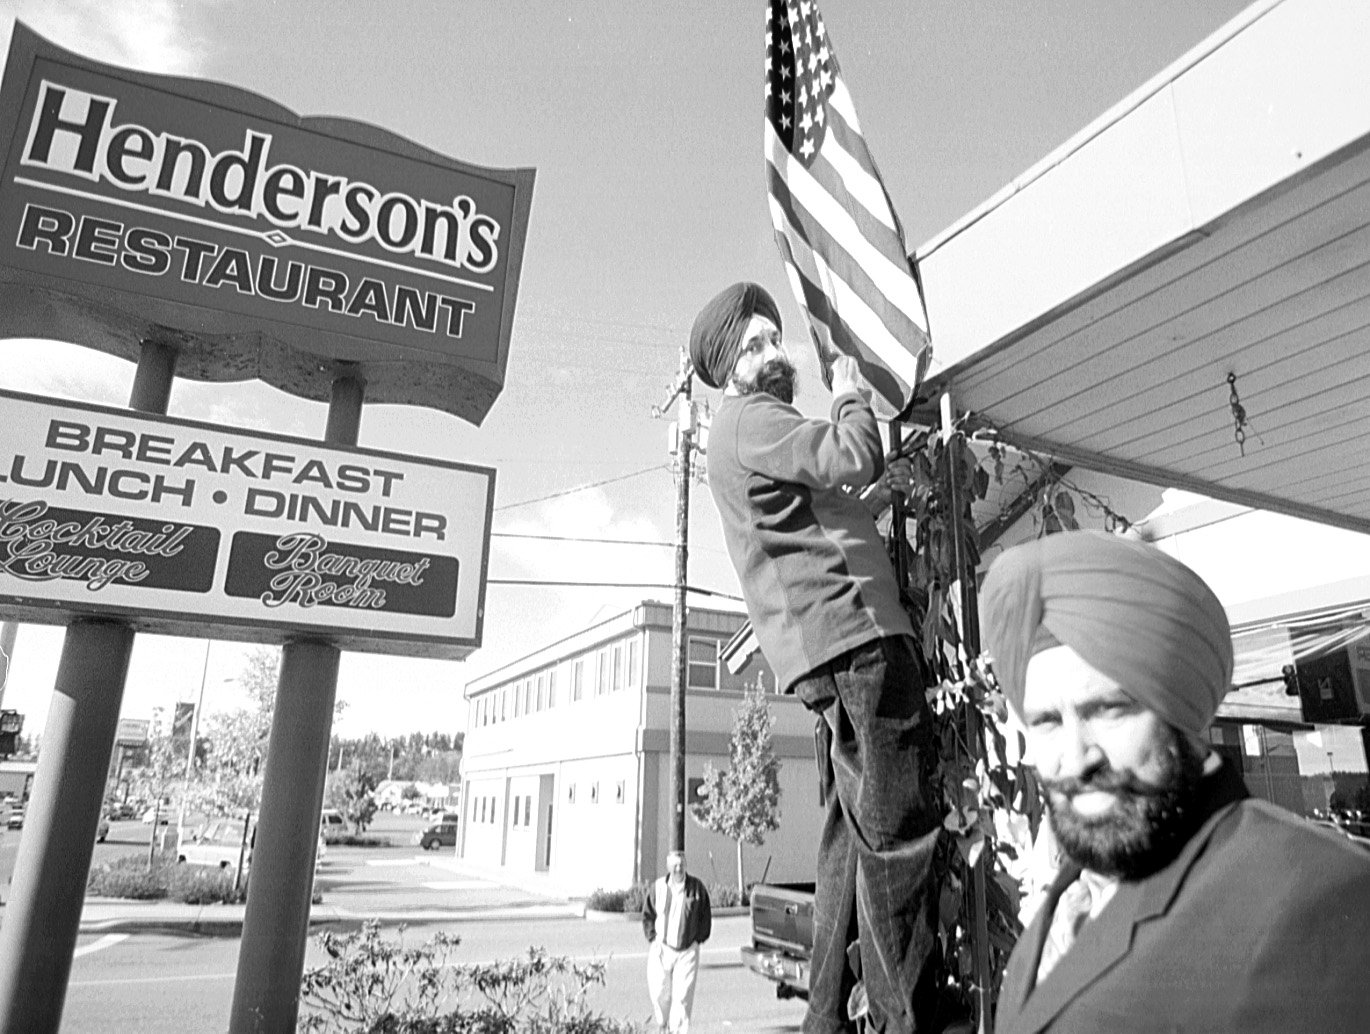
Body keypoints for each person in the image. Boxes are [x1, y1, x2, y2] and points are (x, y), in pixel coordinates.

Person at [980, 530, 1370, 1034]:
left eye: (1110, 710)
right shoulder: (1075, 887)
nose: (1076, 759)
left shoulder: (1314, 897)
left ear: (1177, 710)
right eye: (1048, 722)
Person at [690, 282, 941, 1034]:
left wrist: (875, 496)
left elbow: (822, 508)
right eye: (755, 345)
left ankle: (826, 1016)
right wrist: (849, 388)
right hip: (857, 638)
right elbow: (852, 450)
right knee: (899, 836)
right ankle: (905, 1023)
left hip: (827, 648)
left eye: (775, 339)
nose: (774, 352)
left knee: (848, 842)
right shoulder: (752, 419)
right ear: (726, 367)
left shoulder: (746, 434)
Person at [641, 850, 712, 1034]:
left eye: (681, 865)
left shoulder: (697, 888)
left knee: (682, 998)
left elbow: (705, 915)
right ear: (668, 867)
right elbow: (648, 913)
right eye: (675, 866)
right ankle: (663, 1023)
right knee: (659, 992)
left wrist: (699, 939)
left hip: (687, 951)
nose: (678, 869)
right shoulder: (658, 887)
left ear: (685, 866)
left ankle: (677, 1030)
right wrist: (652, 937)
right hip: (662, 948)